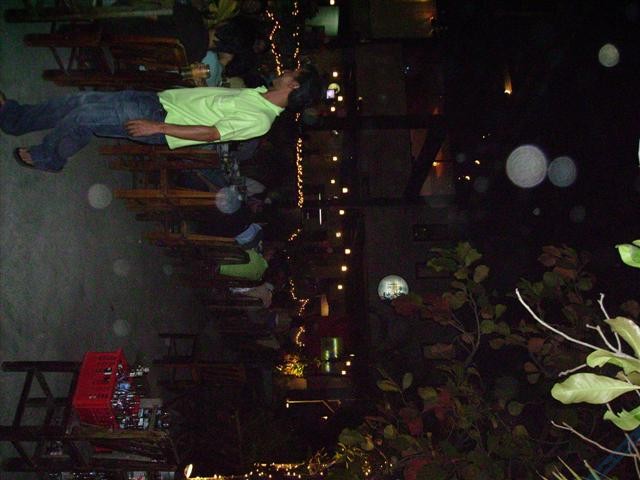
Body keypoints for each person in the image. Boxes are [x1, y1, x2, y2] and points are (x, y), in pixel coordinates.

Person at [0, 65, 321, 173]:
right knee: (80, 103)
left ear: (294, 86)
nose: (286, 70)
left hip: (160, 119)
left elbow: (212, 134)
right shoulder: (260, 93)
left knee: (84, 114)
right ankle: (15, 118)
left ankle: (48, 157)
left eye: (292, 72)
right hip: (159, 101)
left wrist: (158, 127)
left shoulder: (262, 119)